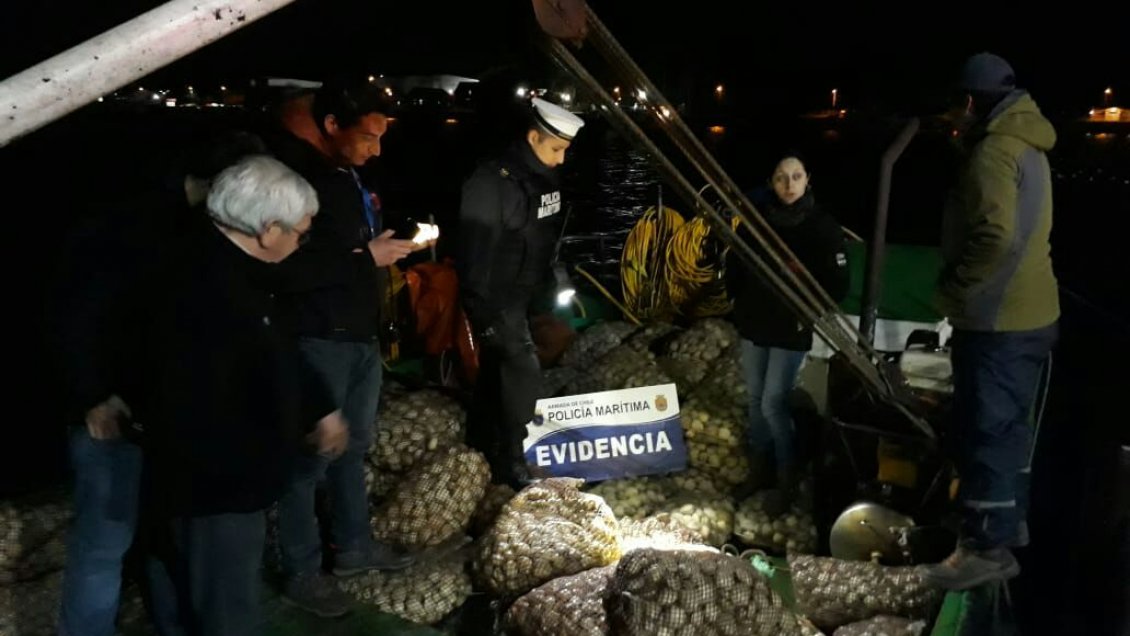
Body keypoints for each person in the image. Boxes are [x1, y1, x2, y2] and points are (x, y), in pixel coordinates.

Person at [52, 132, 266, 636]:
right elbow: (74, 317)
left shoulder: (198, 228)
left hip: (163, 416)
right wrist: (94, 396)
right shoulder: (125, 227)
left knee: (164, 539)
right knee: (104, 544)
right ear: (223, 182)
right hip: (112, 412)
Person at [133, 155, 345, 636]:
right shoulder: (205, 288)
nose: (301, 242)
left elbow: (278, 351)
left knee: (188, 599)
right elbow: (200, 396)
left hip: (203, 481)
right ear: (270, 230)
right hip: (215, 490)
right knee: (224, 611)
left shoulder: (221, 267)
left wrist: (318, 407)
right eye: (300, 232)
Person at [268, 78, 416, 618]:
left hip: (358, 338)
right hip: (318, 340)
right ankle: (301, 570)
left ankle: (353, 547)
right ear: (332, 125)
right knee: (308, 461)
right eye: (368, 137)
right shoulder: (296, 184)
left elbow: (352, 252)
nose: (377, 150)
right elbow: (284, 268)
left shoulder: (343, 177)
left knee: (352, 448)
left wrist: (383, 251)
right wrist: (363, 260)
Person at [924, 52, 1059, 590]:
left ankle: (986, 548)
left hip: (1000, 318)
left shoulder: (992, 153)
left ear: (972, 102)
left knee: (987, 428)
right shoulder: (1030, 144)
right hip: (1034, 312)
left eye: (957, 104)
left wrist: (954, 290)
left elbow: (995, 237)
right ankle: (1008, 522)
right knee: (1009, 430)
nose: (954, 116)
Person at [456, 97, 585, 487]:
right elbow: (473, 257)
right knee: (521, 374)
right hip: (497, 301)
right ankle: (514, 462)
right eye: (556, 149)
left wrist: (560, 282)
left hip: (527, 294)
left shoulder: (544, 180)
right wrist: (484, 319)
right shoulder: (489, 183)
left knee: (496, 376)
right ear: (533, 137)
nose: (562, 159)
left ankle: (479, 445)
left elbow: (548, 240)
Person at [726, 154, 849, 508]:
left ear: (807, 179)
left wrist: (808, 313)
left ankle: (786, 476)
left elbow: (837, 284)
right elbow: (734, 268)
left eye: (796, 176)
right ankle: (759, 470)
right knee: (754, 401)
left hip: (791, 329)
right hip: (754, 325)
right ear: (771, 183)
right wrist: (739, 304)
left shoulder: (821, 227)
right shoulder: (754, 223)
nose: (789, 184)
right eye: (781, 178)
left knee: (773, 403)